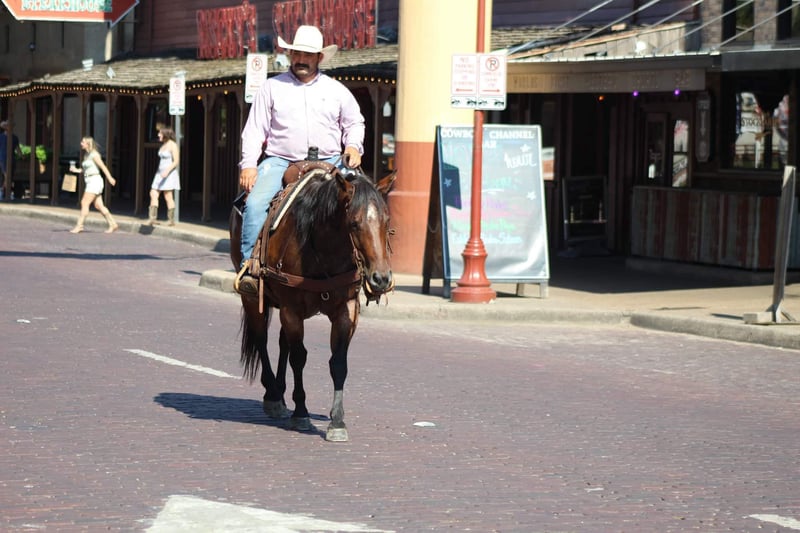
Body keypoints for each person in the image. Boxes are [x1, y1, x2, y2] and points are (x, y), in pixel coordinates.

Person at [236, 24, 365, 294]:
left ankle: (367, 269)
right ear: (290, 54)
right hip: (280, 160)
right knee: (256, 203)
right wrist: (248, 165)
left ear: (319, 57)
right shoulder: (271, 88)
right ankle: (250, 268)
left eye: (308, 55)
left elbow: (355, 122)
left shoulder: (337, 90)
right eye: (297, 53)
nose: (301, 59)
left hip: (331, 160)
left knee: (364, 202)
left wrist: (353, 146)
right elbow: (254, 130)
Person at [68, 136, 118, 234]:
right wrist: (76, 170)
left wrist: (110, 178)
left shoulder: (94, 155)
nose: (81, 143)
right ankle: (113, 224)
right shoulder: (86, 155)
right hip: (89, 180)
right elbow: (85, 170)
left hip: (95, 181)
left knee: (84, 202)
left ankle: (79, 226)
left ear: (88, 144)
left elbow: (103, 167)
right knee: (99, 206)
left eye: (83, 142)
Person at [147, 126, 180, 226]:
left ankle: (171, 220)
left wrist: (167, 171)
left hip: (168, 173)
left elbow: (176, 161)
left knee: (168, 195)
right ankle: (152, 218)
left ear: (165, 134)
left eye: (160, 133)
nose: (158, 135)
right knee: (153, 193)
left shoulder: (173, 145)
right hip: (159, 173)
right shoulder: (163, 145)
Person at [0, 120, 22, 199]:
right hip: (3, 159)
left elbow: (18, 149)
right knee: (7, 176)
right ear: (6, 127)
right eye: (8, 126)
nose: (10, 127)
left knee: (10, 177)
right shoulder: (1, 137)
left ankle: (6, 193)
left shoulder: (15, 138)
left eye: (11, 126)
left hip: (12, 160)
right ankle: (3, 192)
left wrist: (22, 156)